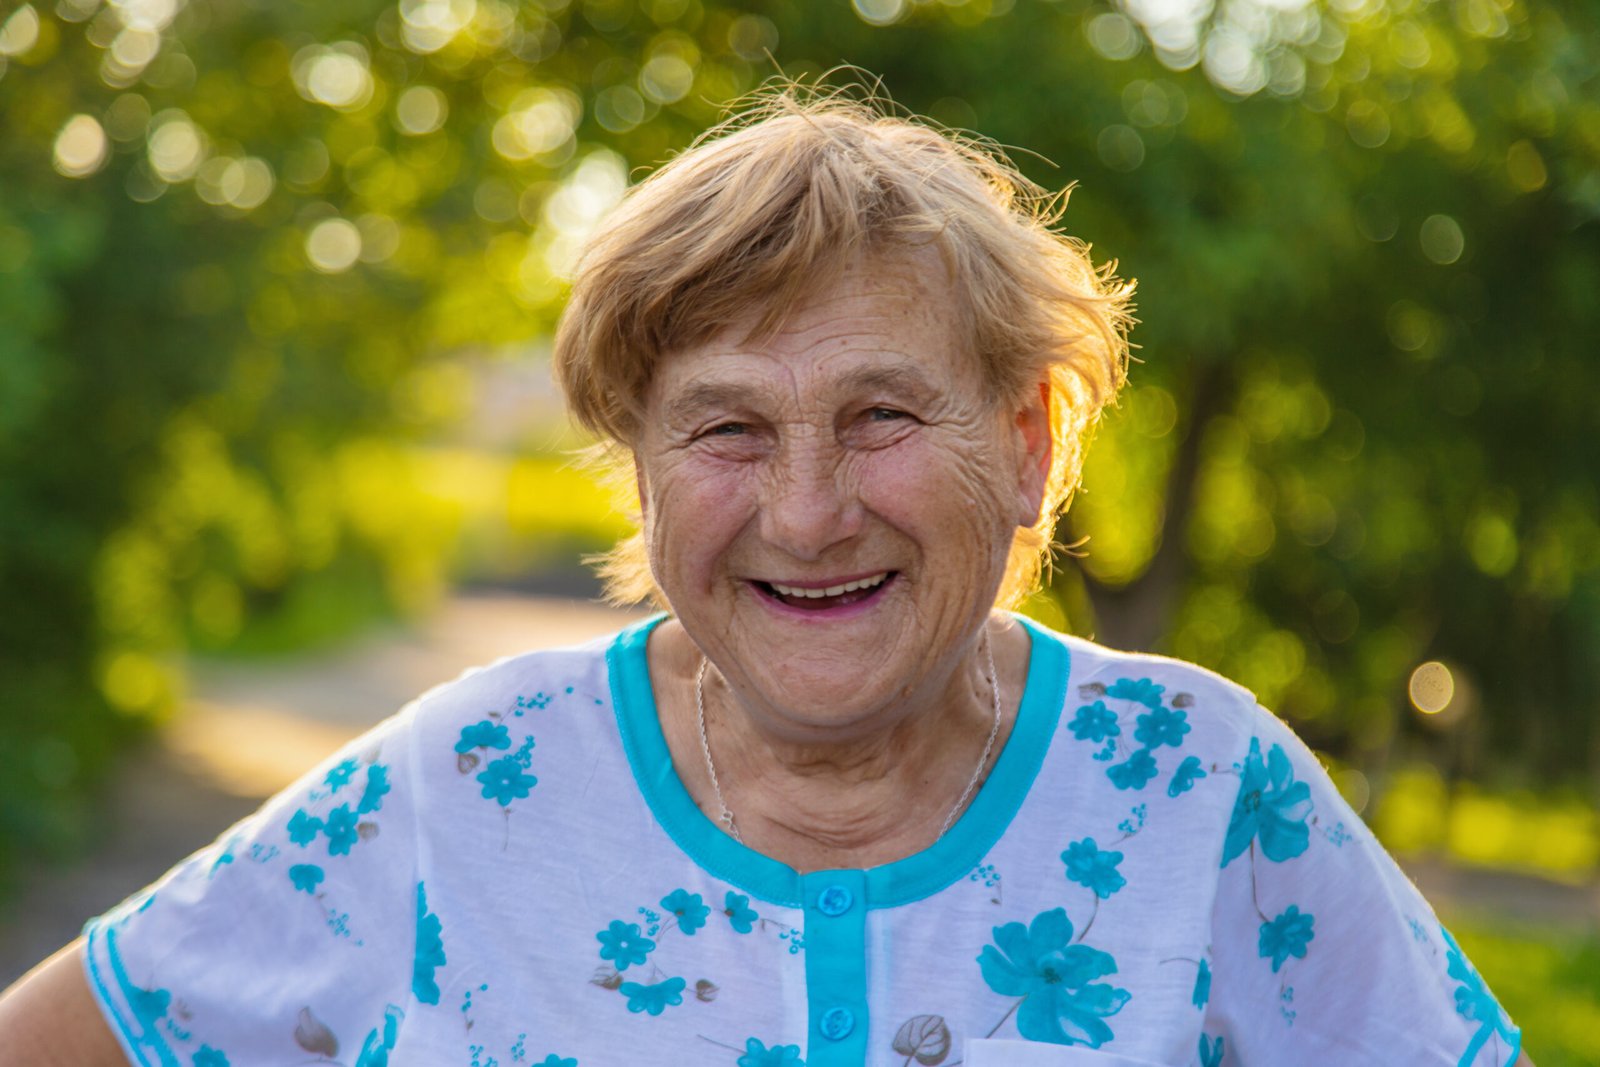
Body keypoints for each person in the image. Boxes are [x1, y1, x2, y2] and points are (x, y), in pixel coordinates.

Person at [0, 92, 1529, 1067]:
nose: (805, 513)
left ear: (1028, 443)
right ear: (646, 475)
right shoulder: (473, 780)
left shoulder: (1201, 789)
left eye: (880, 415)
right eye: (727, 428)